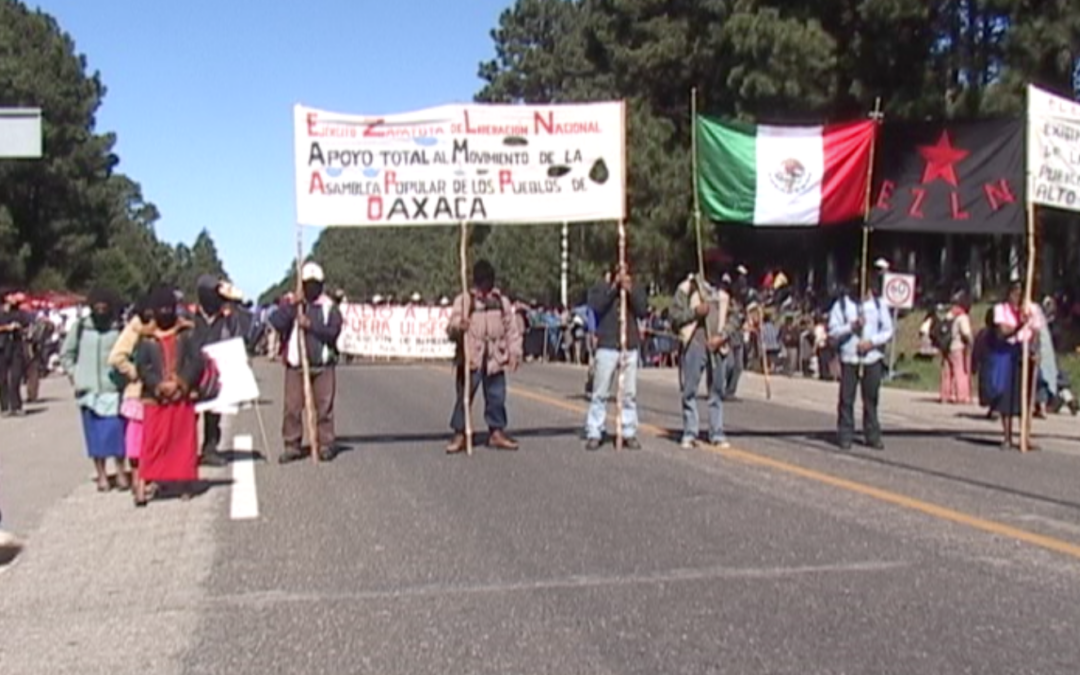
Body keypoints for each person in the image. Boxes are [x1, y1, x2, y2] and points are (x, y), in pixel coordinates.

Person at [134, 286, 206, 506]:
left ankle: (185, 482)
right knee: (152, 443)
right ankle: (143, 484)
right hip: (155, 398)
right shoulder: (146, 338)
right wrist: (158, 385)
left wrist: (180, 382)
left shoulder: (187, 332)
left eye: (169, 308)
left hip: (181, 397)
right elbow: (142, 367)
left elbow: (196, 362)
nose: (165, 312)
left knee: (183, 441)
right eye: (161, 308)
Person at [270, 262, 344, 464]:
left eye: (315, 283)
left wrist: (310, 326)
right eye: (307, 283)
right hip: (296, 367)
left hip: (323, 366)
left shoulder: (329, 307)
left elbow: (333, 332)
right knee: (292, 407)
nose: (311, 287)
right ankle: (292, 445)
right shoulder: (293, 303)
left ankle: (326, 444)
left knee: (324, 407)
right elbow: (276, 322)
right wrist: (294, 305)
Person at [445, 260, 522, 453]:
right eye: (482, 284)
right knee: (464, 397)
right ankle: (460, 433)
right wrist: (458, 325)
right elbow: (451, 327)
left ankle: (496, 432)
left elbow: (511, 329)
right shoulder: (465, 301)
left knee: (497, 397)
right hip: (471, 357)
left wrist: (514, 352)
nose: (485, 290)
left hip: (495, 358)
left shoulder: (501, 302)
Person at [670, 256, 742, 450]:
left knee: (717, 391)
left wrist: (723, 336)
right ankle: (690, 432)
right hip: (695, 343)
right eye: (715, 269)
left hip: (718, 344)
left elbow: (736, 317)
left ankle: (716, 432)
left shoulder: (726, 290)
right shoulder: (688, 288)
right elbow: (674, 316)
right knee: (689, 390)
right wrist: (695, 312)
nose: (718, 274)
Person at [61, 289, 128, 492]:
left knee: (116, 433)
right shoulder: (81, 328)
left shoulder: (118, 328)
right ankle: (101, 475)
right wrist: (75, 374)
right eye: (97, 305)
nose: (100, 308)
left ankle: (120, 471)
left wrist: (124, 375)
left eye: (104, 305)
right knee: (94, 437)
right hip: (88, 391)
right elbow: (66, 354)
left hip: (112, 389)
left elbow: (128, 354)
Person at [583, 263, 649, 450]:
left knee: (629, 393)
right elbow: (595, 307)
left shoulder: (635, 288)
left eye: (626, 271)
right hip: (608, 344)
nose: (623, 274)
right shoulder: (602, 288)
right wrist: (614, 289)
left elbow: (643, 310)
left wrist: (630, 291)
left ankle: (629, 431)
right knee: (600, 391)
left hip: (629, 344)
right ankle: (595, 430)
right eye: (620, 271)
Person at [827, 269, 895, 450]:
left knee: (871, 398)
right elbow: (833, 330)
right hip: (850, 358)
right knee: (846, 398)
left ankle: (872, 434)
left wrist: (871, 342)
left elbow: (888, 331)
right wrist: (852, 326)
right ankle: (845, 434)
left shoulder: (879, 305)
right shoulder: (842, 305)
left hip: (871, 358)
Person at [191, 275, 244, 467]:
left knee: (214, 412)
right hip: (193, 371)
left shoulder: (228, 318)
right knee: (190, 414)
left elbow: (238, 340)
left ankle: (210, 449)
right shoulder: (190, 316)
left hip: (217, 373)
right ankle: (187, 452)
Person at [986, 281, 1039, 449]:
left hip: (1024, 354)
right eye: (1014, 293)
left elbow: (1036, 331)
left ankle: (1025, 436)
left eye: (1020, 293)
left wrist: (1035, 349)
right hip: (1006, 354)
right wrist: (1020, 325)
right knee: (1006, 397)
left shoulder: (1031, 309)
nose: (1017, 297)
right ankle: (1007, 436)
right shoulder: (1000, 310)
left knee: (1025, 397)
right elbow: (1003, 331)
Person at [109, 295, 154, 493]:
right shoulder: (134, 328)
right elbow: (116, 357)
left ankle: (148, 477)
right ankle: (138, 480)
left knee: (152, 438)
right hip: (137, 392)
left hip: (157, 391)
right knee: (136, 440)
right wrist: (134, 372)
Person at [0, 291, 32, 417]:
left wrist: (22, 328)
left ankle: (17, 405)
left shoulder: (19, 313)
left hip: (16, 347)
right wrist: (7, 328)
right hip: (2, 347)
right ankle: (4, 406)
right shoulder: (1, 313)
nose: (14, 298)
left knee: (16, 377)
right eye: (11, 295)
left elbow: (27, 326)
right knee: (2, 379)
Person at [939, 291, 973, 404]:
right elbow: (966, 332)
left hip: (946, 346)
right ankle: (961, 396)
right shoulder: (962, 317)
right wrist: (971, 342)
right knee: (960, 371)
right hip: (957, 346)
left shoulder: (949, 315)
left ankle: (945, 395)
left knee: (947, 372)